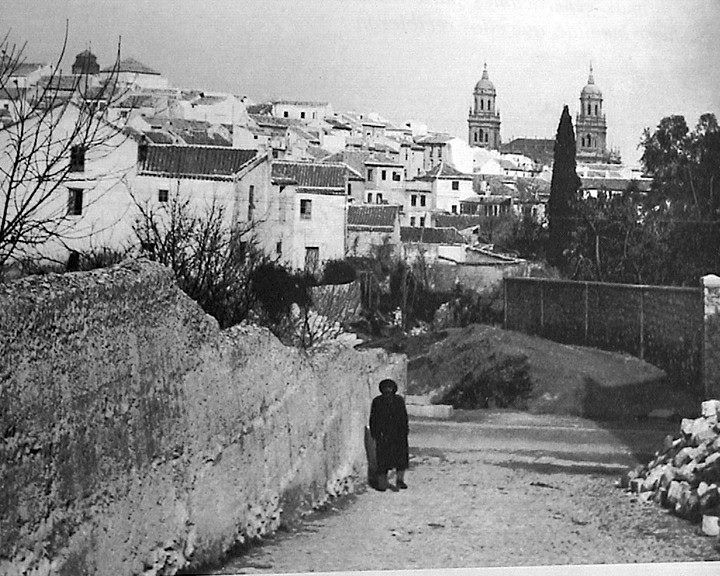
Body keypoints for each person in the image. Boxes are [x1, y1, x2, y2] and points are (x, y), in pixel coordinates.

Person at [369, 378, 409, 491]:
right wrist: (375, 433)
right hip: (383, 435)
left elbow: (404, 417)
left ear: (394, 389)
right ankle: (382, 483)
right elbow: (373, 418)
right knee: (383, 460)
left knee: (401, 459)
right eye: (385, 388)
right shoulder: (377, 401)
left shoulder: (399, 400)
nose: (388, 390)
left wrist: (405, 431)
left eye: (390, 388)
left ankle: (400, 480)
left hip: (398, 434)